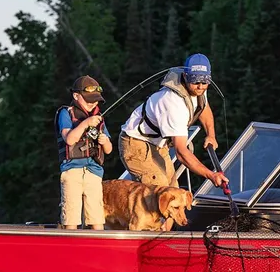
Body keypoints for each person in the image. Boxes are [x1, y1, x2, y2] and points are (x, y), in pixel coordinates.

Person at [119, 53, 228, 188]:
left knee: (173, 191)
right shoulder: (173, 103)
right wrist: (211, 175)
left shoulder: (199, 86)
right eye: (196, 82)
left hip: (158, 144)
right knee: (160, 191)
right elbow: (181, 153)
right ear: (185, 76)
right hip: (136, 143)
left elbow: (203, 107)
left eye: (204, 82)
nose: (200, 86)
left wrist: (211, 135)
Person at [55, 75, 113, 230]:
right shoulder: (66, 113)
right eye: (88, 99)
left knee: (96, 215)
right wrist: (86, 123)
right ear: (76, 96)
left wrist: (104, 141)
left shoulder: (98, 118)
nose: (92, 103)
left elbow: (108, 149)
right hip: (72, 170)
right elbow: (69, 139)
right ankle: (70, 246)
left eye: (95, 100)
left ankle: (98, 246)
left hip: (94, 171)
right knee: (71, 214)